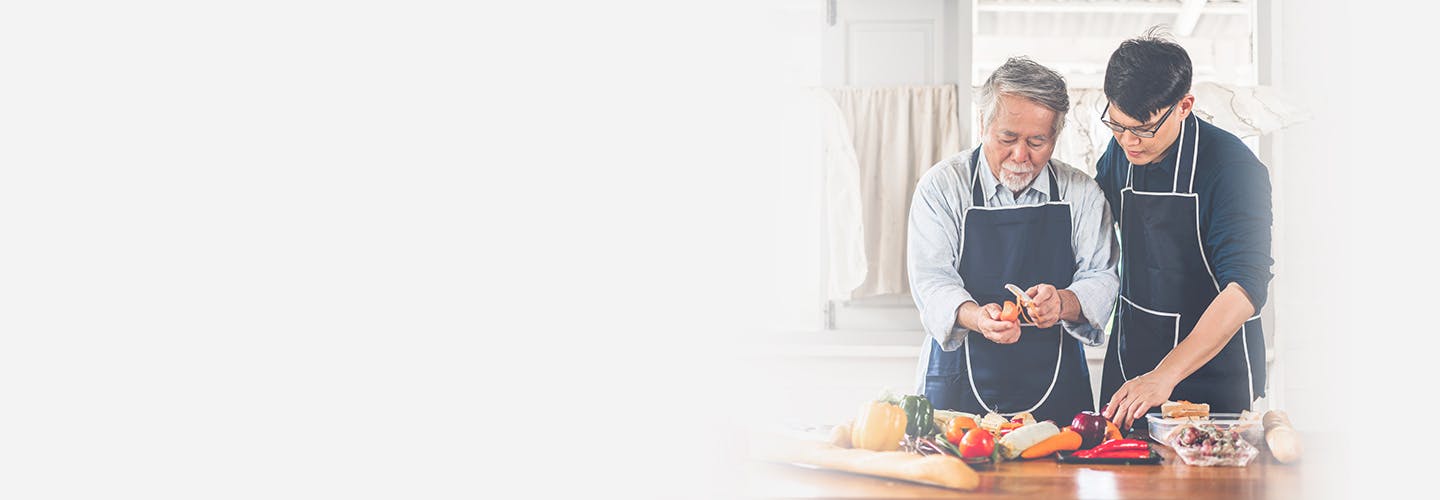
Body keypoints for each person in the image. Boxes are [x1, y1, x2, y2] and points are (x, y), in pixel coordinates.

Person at [908, 57, 1119, 424]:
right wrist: (976, 317)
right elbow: (932, 280)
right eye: (1008, 138)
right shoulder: (942, 187)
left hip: (1058, 391)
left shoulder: (1081, 192)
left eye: (1038, 141)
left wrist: (1063, 302)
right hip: (957, 383)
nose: (1021, 156)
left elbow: (1103, 277)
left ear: (1055, 136)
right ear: (983, 124)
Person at [1094, 29, 1275, 430]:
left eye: (1142, 129)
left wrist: (1166, 374)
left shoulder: (1233, 169)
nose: (1128, 142)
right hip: (1133, 362)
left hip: (1215, 378)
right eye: (1117, 125)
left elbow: (1245, 289)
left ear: (1184, 105)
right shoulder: (1121, 149)